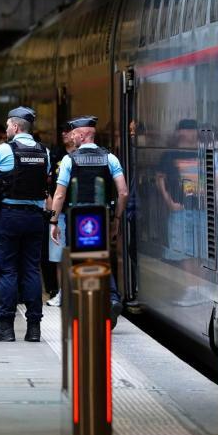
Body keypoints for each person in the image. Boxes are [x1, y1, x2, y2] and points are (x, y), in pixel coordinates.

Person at [49, 115, 129, 327]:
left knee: (79, 262)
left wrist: (53, 222)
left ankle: (86, 311)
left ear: (83, 135)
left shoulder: (69, 160)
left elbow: (59, 195)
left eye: (74, 133)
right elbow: (123, 192)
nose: (71, 137)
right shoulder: (110, 158)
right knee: (100, 259)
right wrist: (117, 219)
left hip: (77, 219)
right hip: (101, 217)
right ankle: (111, 299)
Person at [0, 106, 50, 342]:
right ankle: (34, 329)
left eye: (9, 125)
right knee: (31, 270)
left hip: (9, 216)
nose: (7, 129)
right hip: (34, 217)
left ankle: (5, 326)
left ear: (16, 126)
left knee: (7, 271)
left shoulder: (3, 150)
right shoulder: (45, 152)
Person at [156, 118, 200, 261]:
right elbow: (160, 178)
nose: (190, 134)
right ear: (179, 132)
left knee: (202, 254)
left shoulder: (203, 152)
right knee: (181, 254)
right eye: (186, 130)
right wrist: (169, 202)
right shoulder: (170, 154)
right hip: (179, 209)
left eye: (192, 130)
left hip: (202, 210)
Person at [44, 124, 76, 307]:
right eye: (62, 131)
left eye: (68, 131)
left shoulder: (82, 156)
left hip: (78, 211)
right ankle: (61, 292)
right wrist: (50, 206)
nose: (64, 134)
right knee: (58, 255)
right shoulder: (55, 154)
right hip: (60, 212)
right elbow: (46, 181)